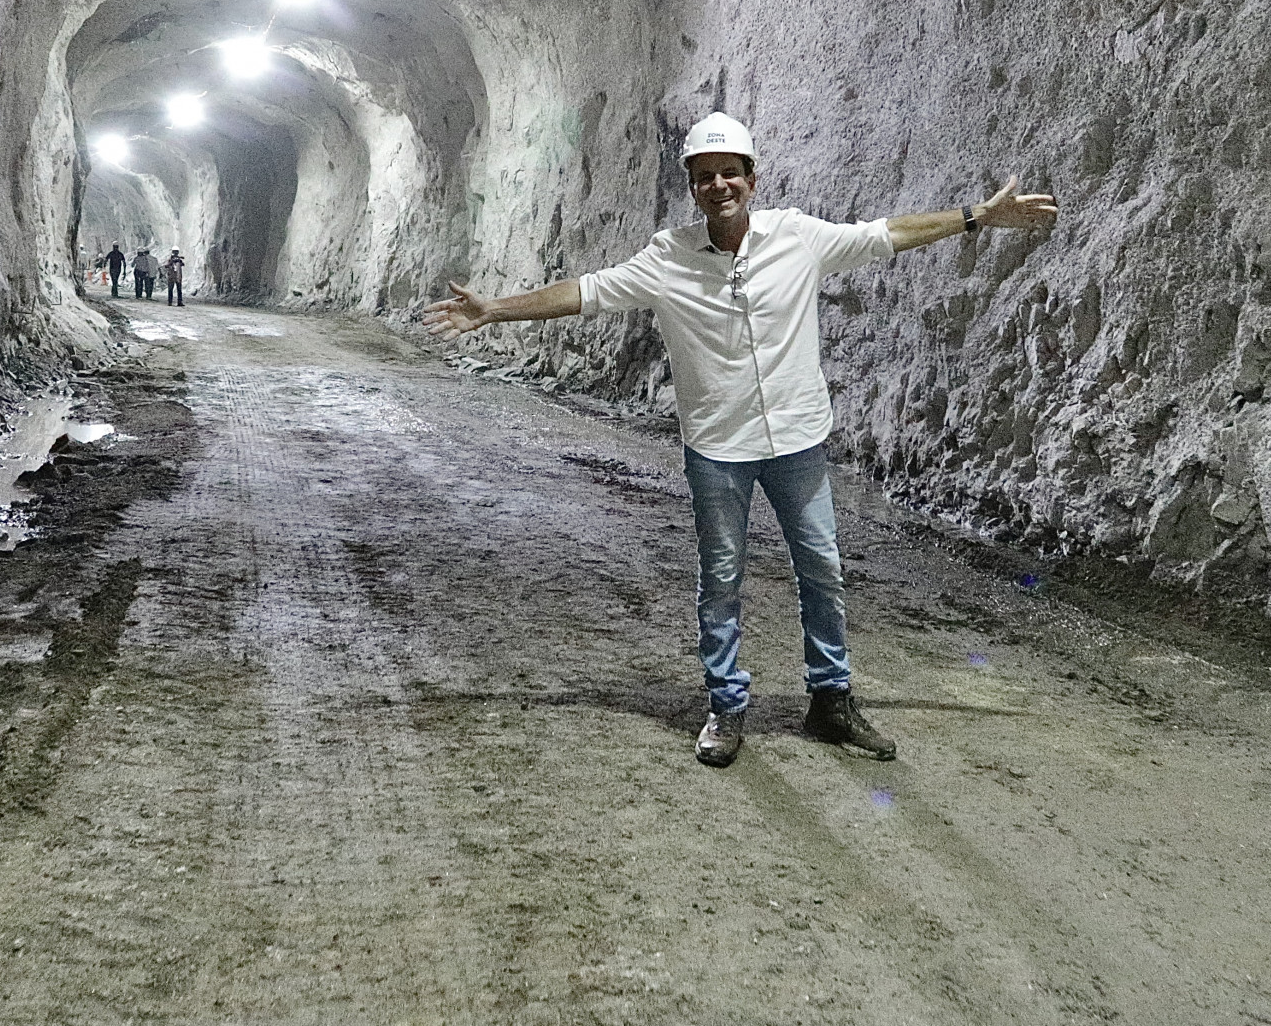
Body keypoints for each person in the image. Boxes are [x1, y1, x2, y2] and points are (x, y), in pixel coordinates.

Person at [423, 113, 1057, 768]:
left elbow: (886, 234)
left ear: (752, 179)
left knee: (822, 570)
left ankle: (830, 702)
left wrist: (977, 215)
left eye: (730, 173)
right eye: (704, 177)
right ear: (692, 189)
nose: (718, 185)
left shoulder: (798, 236)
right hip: (718, 448)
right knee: (720, 580)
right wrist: (493, 309)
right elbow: (585, 292)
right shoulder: (666, 257)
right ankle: (725, 707)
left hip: (796, 441)